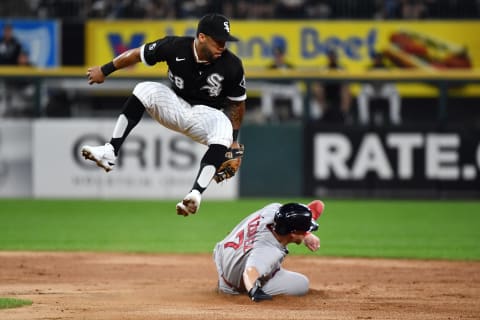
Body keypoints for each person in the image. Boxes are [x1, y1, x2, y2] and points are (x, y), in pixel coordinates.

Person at [81, 13, 246, 216]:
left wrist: (234, 142)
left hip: (207, 116)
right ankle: (110, 151)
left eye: (225, 41)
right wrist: (105, 70)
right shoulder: (174, 46)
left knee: (224, 127)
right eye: (218, 40)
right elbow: (136, 54)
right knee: (144, 88)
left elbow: (237, 105)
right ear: (202, 37)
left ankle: (195, 194)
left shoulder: (233, 65)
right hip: (173, 105)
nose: (223, 46)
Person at [213, 200, 325, 302]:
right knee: (302, 283)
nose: (308, 231)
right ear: (293, 233)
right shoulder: (268, 251)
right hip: (234, 284)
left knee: (255, 259)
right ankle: (235, 290)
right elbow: (249, 272)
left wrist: (306, 235)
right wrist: (254, 291)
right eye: (306, 229)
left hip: (225, 254)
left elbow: (317, 206)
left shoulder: (274, 210)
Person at [357, 51, 401, 125]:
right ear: (374, 59)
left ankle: (394, 118)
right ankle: (364, 119)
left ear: (381, 59)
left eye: (379, 58)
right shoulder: (369, 68)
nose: (377, 60)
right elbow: (363, 82)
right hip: (373, 90)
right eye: (376, 58)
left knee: (395, 93)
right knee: (362, 94)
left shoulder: (387, 68)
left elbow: (392, 82)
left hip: (383, 90)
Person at [310, 49, 352, 123]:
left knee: (345, 90)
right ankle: (322, 113)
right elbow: (317, 84)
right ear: (328, 58)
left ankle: (344, 114)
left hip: (337, 93)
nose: (332, 58)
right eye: (330, 56)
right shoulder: (324, 69)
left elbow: (346, 84)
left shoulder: (341, 69)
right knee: (318, 89)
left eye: (333, 56)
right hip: (326, 93)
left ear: (336, 58)